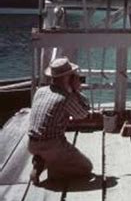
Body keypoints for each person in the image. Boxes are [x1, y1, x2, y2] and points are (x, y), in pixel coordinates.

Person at [28, 57, 92, 185]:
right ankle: (54, 167)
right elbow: (83, 113)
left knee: (54, 152)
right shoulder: (65, 98)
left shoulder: (40, 91)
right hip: (52, 145)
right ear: (68, 77)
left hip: (32, 143)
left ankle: (41, 161)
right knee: (86, 167)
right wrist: (75, 90)